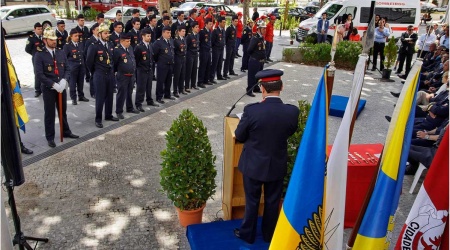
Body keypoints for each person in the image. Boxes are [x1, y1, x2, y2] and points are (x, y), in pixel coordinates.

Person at [233, 69, 299, 244]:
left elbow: (239, 135)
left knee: (252, 200)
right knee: (272, 200)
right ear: (282, 87)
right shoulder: (292, 112)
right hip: (277, 163)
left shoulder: (252, 111)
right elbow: (291, 131)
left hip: (253, 164)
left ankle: (248, 234)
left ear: (262, 88)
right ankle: (270, 235)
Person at [34, 28, 79, 147]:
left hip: (61, 86)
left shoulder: (60, 52)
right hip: (49, 89)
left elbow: (67, 68)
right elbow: (39, 74)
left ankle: (66, 131)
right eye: (51, 40)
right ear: (45, 40)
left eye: (55, 39)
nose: (54, 42)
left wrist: (64, 80)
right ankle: (50, 137)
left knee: (62, 111)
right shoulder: (39, 55)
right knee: (49, 113)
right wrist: (53, 84)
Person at [86, 23, 119, 128]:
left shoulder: (110, 44)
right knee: (100, 97)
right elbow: (88, 62)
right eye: (105, 33)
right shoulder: (94, 46)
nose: (107, 35)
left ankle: (108, 114)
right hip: (99, 74)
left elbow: (112, 59)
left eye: (108, 33)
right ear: (100, 34)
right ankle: (98, 118)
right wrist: (95, 72)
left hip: (109, 74)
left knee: (110, 95)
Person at [113, 33, 139, 118]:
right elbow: (115, 64)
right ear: (122, 41)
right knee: (121, 93)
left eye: (130, 41)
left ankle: (129, 107)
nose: (129, 43)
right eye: (127, 41)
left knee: (129, 92)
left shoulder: (130, 48)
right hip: (122, 75)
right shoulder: (117, 50)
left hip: (131, 75)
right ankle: (119, 111)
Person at [134, 28, 158, 110]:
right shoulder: (139, 47)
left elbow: (151, 58)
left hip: (149, 69)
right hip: (142, 70)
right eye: (148, 36)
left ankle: (149, 100)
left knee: (149, 86)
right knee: (141, 88)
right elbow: (136, 60)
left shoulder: (150, 45)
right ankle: (138, 103)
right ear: (143, 36)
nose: (149, 37)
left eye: (150, 36)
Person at [64, 29, 89, 105]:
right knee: (72, 83)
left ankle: (81, 96)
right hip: (73, 68)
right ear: (71, 36)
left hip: (81, 67)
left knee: (80, 82)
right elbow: (64, 58)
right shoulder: (67, 46)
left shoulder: (80, 44)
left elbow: (83, 55)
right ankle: (73, 98)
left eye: (78, 36)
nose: (77, 37)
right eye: (75, 36)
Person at [153, 26, 175, 104]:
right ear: (163, 33)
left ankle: (167, 94)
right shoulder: (158, 42)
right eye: (167, 33)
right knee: (160, 81)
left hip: (170, 64)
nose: (169, 34)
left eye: (170, 32)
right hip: (162, 65)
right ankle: (159, 96)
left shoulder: (171, 41)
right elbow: (155, 55)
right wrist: (159, 61)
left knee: (169, 80)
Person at [247, 20, 266, 97]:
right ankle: (249, 90)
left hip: (260, 60)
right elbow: (249, 50)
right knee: (252, 76)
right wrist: (255, 56)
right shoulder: (255, 38)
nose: (264, 30)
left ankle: (256, 87)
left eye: (265, 28)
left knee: (258, 76)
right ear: (259, 29)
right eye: (263, 28)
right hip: (254, 60)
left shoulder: (261, 38)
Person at [25, 22, 45, 97]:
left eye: (41, 29)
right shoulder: (31, 38)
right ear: (35, 29)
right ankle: (37, 90)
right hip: (36, 59)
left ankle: (44, 87)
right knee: (37, 73)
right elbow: (27, 49)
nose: (40, 30)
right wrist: (34, 54)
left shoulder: (44, 36)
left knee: (46, 72)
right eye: (38, 29)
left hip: (45, 57)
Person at [85, 23, 100, 98]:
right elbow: (86, 53)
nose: (98, 32)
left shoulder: (101, 40)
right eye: (97, 30)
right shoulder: (89, 41)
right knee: (92, 77)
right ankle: (93, 92)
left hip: (99, 62)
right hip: (92, 62)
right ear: (93, 31)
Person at [210, 17, 226, 82]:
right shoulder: (215, 31)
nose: (224, 24)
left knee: (220, 63)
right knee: (214, 63)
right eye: (223, 22)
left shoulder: (223, 30)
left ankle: (219, 75)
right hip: (216, 49)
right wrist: (215, 47)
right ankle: (211, 77)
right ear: (219, 23)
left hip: (221, 48)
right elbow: (212, 41)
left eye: (225, 22)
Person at [197, 18, 213, 89]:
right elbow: (199, 42)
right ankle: (200, 81)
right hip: (203, 51)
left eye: (211, 24)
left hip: (208, 50)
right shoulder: (202, 32)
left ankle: (206, 80)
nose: (211, 25)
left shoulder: (209, 31)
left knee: (208, 65)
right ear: (206, 24)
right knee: (202, 66)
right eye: (209, 24)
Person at [173, 25, 187, 97]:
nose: (184, 33)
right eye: (182, 31)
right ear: (179, 32)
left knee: (182, 74)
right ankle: (175, 91)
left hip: (183, 58)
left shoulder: (184, 39)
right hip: (178, 58)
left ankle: (181, 89)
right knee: (177, 75)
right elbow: (174, 51)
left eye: (185, 31)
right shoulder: (176, 40)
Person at [185, 21, 199, 92]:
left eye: (198, 27)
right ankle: (186, 86)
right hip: (190, 54)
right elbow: (186, 47)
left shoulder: (197, 35)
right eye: (196, 27)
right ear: (192, 28)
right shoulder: (189, 36)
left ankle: (193, 84)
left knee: (194, 70)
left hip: (195, 54)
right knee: (189, 70)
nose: (197, 28)